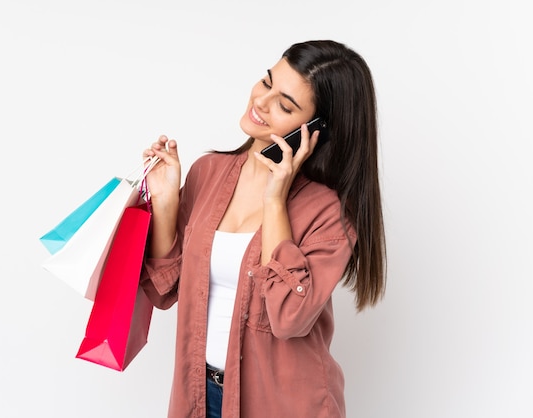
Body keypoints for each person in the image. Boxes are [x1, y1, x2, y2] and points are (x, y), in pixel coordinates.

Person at [140, 40, 386, 418]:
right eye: (266, 81)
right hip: (199, 395)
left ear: (316, 131)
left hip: (282, 405)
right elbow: (163, 290)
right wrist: (166, 199)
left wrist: (275, 201)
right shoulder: (207, 173)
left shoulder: (328, 213)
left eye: (285, 105)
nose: (261, 102)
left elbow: (289, 317)